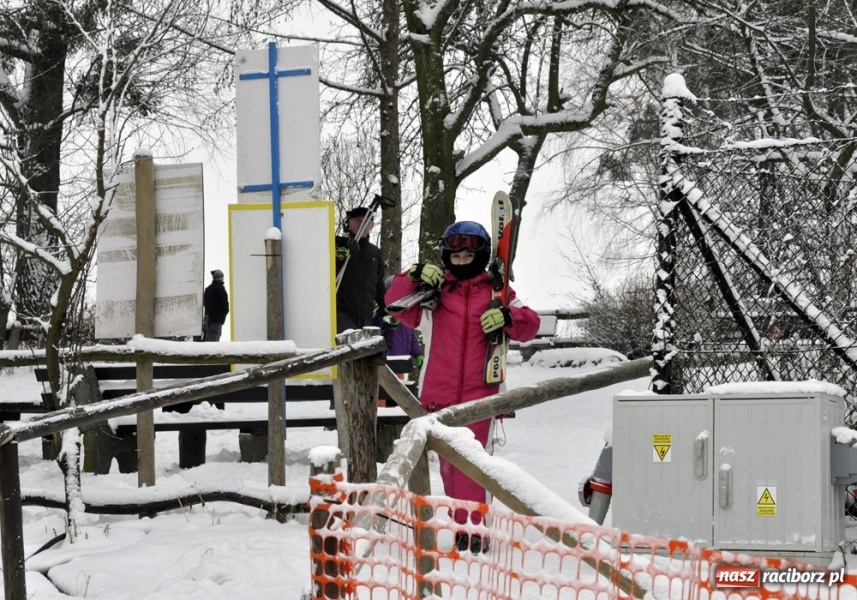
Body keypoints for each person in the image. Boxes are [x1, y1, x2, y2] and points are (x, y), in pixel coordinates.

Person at [385, 220, 540, 554]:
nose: (461, 260)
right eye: (455, 256)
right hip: (438, 391)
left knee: (474, 463)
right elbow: (395, 303)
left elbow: (530, 324)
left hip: (480, 391)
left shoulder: (496, 291)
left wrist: (507, 318)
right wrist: (412, 274)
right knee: (449, 465)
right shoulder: (434, 293)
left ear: (480, 255)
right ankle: (460, 525)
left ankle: (475, 529)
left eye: (468, 254)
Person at [335, 206, 385, 333]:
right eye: (357, 220)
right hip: (341, 314)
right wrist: (341, 242)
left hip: (366, 316)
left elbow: (378, 285)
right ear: (349, 223)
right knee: (350, 349)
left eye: (366, 220)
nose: (362, 223)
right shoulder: (338, 246)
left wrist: (387, 308)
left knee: (366, 351)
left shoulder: (375, 253)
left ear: (372, 225)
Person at [203, 269, 229, 341]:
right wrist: (224, 313)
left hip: (208, 318)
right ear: (220, 278)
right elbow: (225, 305)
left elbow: (205, 303)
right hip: (217, 319)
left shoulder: (208, 289)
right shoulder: (221, 289)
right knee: (215, 337)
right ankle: (212, 352)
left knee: (208, 337)